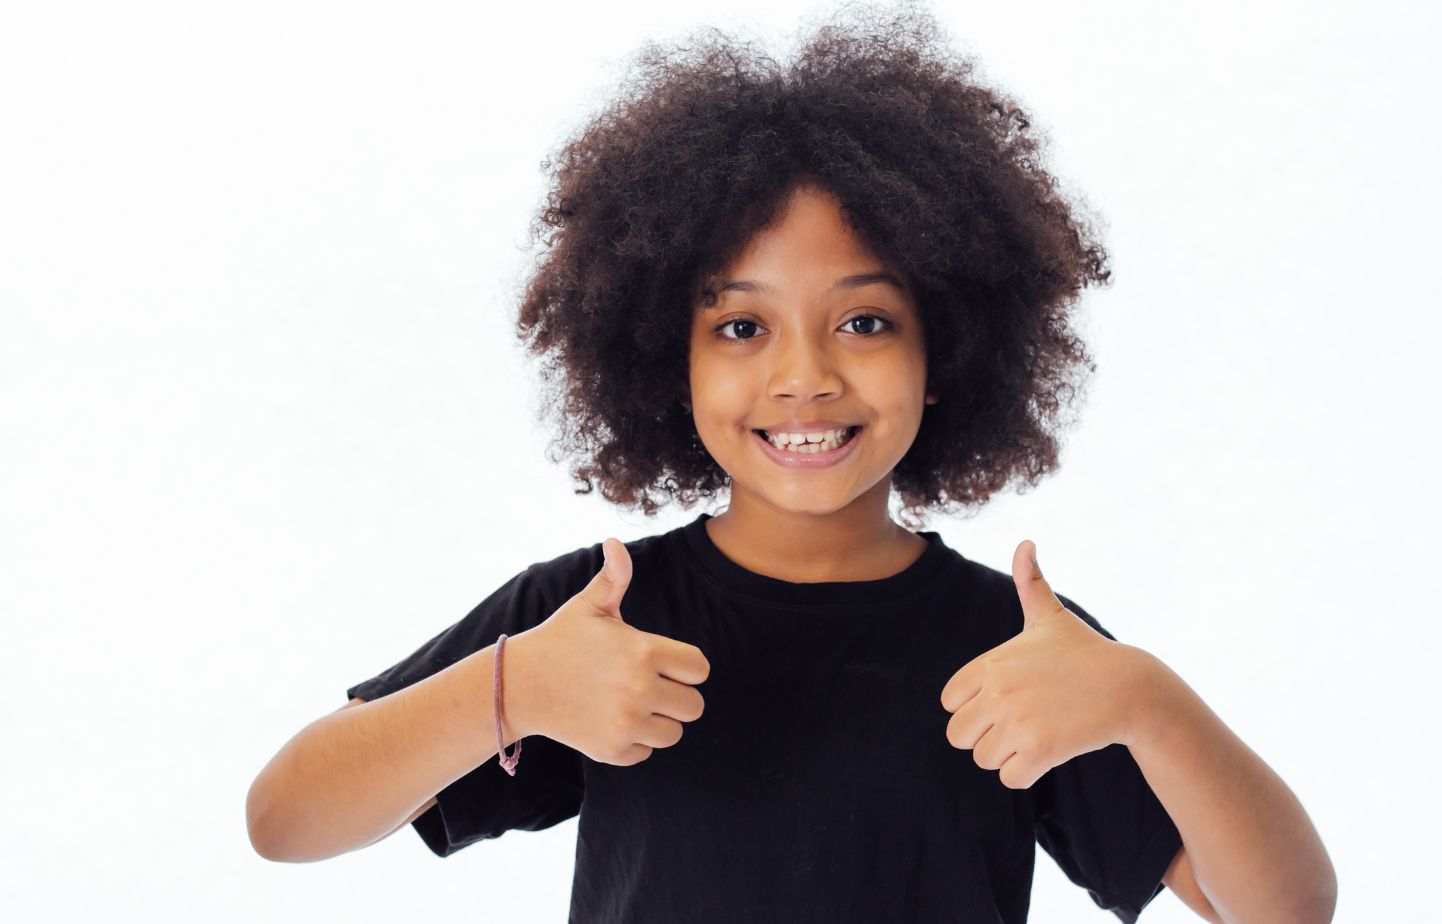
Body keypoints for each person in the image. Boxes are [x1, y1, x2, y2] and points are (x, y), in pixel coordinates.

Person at [245, 4, 1336, 922]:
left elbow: (1284, 908)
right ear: (662, 360)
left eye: (862, 324)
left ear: (945, 351)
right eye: (739, 328)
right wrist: (510, 689)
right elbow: (284, 821)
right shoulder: (592, 624)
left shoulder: (1018, 651)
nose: (804, 377)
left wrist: (1148, 701)